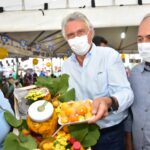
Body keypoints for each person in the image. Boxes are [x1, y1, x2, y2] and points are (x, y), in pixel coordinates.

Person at [61, 12, 134, 150]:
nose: (76, 38)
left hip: (109, 133)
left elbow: (126, 93)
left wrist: (109, 101)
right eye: (71, 35)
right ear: (66, 39)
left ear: (90, 33)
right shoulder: (66, 66)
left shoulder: (109, 56)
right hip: (79, 133)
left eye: (80, 32)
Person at [124, 14, 150, 150]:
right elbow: (130, 114)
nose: (144, 44)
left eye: (149, 38)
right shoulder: (134, 74)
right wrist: (129, 144)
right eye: (140, 39)